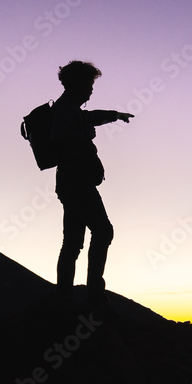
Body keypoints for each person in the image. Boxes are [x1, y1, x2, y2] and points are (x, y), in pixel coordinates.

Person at [51, 61, 133, 310]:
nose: (91, 91)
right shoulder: (65, 109)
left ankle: (65, 296)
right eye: (89, 85)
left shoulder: (70, 108)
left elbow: (90, 117)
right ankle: (94, 295)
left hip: (72, 182)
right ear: (77, 84)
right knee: (103, 231)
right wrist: (87, 133)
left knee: (73, 242)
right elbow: (60, 139)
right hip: (76, 182)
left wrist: (114, 116)